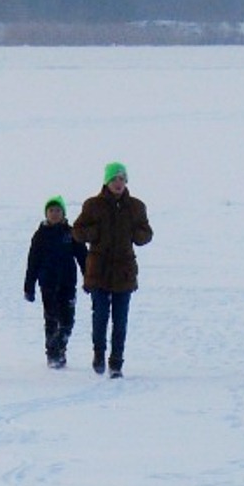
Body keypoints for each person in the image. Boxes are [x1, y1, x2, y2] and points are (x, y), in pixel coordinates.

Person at [72, 162, 153, 378]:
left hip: (124, 271)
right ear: (106, 182)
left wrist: (137, 234)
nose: (118, 183)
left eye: (122, 178)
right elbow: (77, 232)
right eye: (114, 179)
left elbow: (147, 233)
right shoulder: (92, 205)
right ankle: (99, 354)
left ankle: (116, 363)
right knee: (99, 316)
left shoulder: (136, 206)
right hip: (99, 270)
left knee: (120, 319)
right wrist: (94, 232)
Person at [24, 195, 88, 369]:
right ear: (46, 213)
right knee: (51, 319)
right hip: (48, 284)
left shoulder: (71, 232)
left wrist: (89, 278)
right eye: (51, 211)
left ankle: (60, 347)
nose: (54, 214)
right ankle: (53, 355)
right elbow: (33, 261)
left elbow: (83, 257)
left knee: (67, 320)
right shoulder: (40, 235)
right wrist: (29, 286)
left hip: (67, 283)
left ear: (63, 213)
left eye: (58, 210)